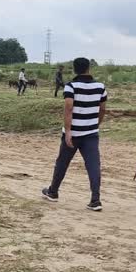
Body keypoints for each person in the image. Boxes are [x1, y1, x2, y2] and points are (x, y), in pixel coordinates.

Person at [42, 57, 107, 211]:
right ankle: (95, 199)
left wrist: (69, 131)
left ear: (74, 69)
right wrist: (96, 124)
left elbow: (68, 108)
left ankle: (53, 192)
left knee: (62, 162)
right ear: (88, 69)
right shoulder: (100, 86)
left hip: (73, 132)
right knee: (93, 165)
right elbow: (103, 108)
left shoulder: (70, 86)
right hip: (91, 133)